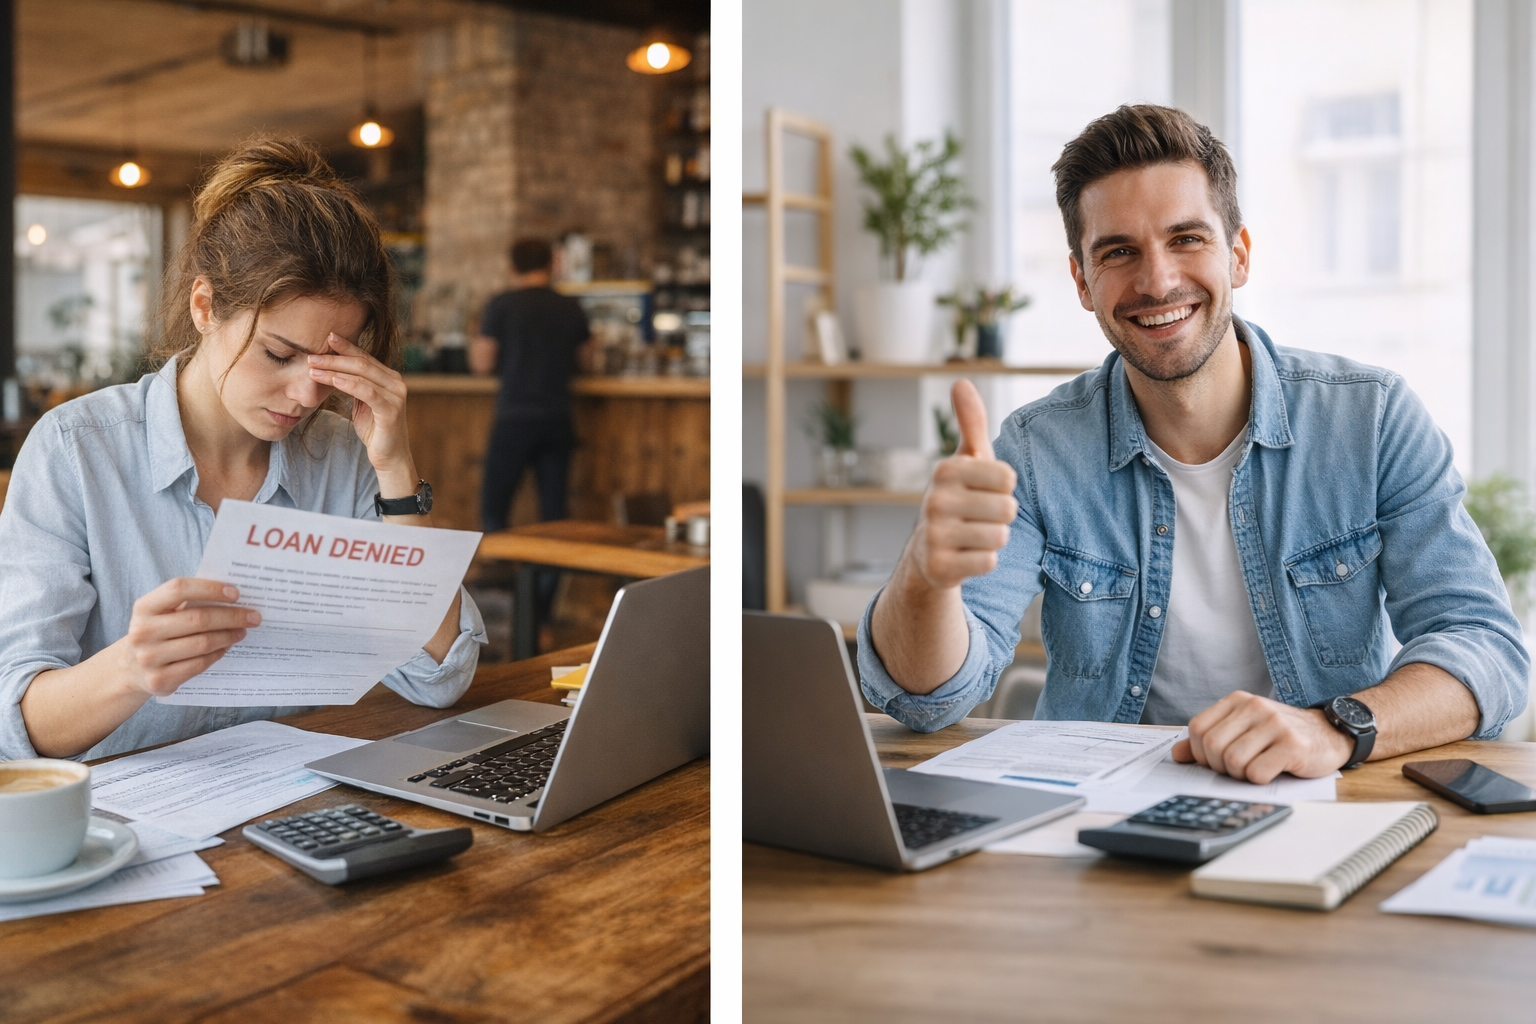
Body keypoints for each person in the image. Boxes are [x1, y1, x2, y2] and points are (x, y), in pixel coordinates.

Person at [861, 104, 1528, 784]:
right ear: (1082, 282)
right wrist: (924, 578)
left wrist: (1334, 727)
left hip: (1325, 803)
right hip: (1093, 829)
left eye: (1186, 239)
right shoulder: (1034, 452)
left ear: (1237, 255)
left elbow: (1488, 650)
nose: (1157, 281)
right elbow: (930, 699)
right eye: (1118, 251)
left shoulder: (1373, 419)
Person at [0, 138, 487, 762]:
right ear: (205, 306)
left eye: (330, 363)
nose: (307, 394)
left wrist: (395, 470)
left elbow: (437, 679)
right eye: (279, 355)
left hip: (287, 812)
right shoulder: (76, 450)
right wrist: (130, 667)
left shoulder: (342, 456)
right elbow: (18, 729)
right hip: (122, 826)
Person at [470, 238, 591, 640]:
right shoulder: (569, 306)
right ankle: (541, 618)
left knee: (494, 514)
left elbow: (483, 364)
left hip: (514, 419)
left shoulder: (501, 305)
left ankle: (511, 613)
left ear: (512, 264)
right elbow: (587, 361)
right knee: (554, 521)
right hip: (557, 420)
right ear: (553, 263)